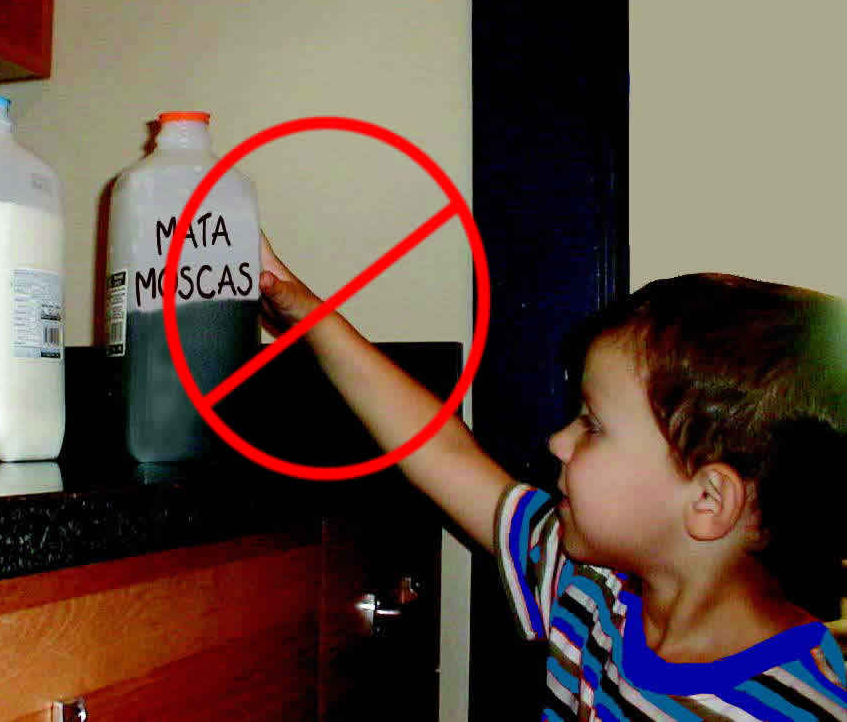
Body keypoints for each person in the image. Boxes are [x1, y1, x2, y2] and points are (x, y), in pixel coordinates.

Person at [257, 233, 847, 720]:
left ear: (709, 499)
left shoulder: (794, 708)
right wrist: (301, 310)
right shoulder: (590, 588)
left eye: (592, 426)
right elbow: (441, 452)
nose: (557, 442)